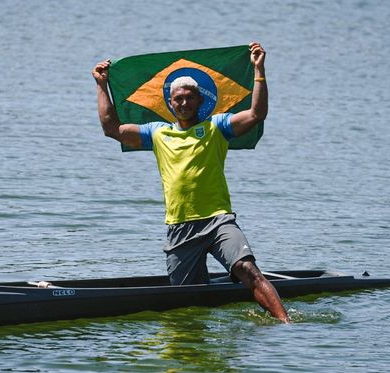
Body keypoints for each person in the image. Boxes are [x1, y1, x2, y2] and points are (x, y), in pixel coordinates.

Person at [92, 42, 290, 323]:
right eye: (178, 99)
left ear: (199, 100)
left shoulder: (217, 127)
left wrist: (259, 70)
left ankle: (286, 325)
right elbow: (111, 129)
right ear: (170, 103)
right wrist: (101, 85)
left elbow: (256, 114)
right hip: (180, 228)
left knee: (248, 270)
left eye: (189, 98)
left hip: (218, 221)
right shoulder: (157, 133)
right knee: (188, 303)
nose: (183, 103)